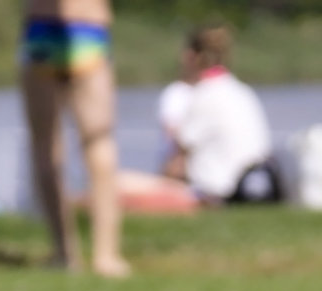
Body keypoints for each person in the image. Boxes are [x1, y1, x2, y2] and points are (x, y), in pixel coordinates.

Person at [118, 25, 281, 212]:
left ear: (190, 57)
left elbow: (176, 164)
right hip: (254, 187)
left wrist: (160, 185)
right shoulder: (244, 91)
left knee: (115, 184)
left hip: (215, 196)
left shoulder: (204, 95)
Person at [20, 0, 129, 277]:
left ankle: (64, 254)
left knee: (45, 145)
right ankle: (107, 257)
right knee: (99, 143)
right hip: (88, 28)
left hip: (42, 29)